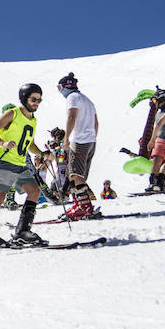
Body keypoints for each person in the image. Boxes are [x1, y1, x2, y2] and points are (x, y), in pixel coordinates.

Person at [0, 83, 53, 247]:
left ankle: (23, 232)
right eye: (34, 99)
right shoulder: (13, 113)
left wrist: (42, 153)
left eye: (39, 100)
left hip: (20, 163)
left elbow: (30, 144)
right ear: (24, 99)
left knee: (34, 190)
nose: (36, 103)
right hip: (4, 160)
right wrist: (2, 143)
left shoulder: (33, 120)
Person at [57, 73, 100, 221]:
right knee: (73, 174)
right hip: (90, 141)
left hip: (79, 140)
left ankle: (84, 208)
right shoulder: (87, 100)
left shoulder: (72, 98)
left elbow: (71, 117)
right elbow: (96, 123)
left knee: (76, 175)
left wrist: (66, 139)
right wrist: (93, 137)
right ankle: (79, 204)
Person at [146, 88, 165, 193]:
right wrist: (153, 139)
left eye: (156, 100)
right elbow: (156, 126)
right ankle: (154, 181)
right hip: (160, 139)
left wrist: (152, 140)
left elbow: (159, 125)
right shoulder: (159, 112)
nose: (155, 103)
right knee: (158, 161)